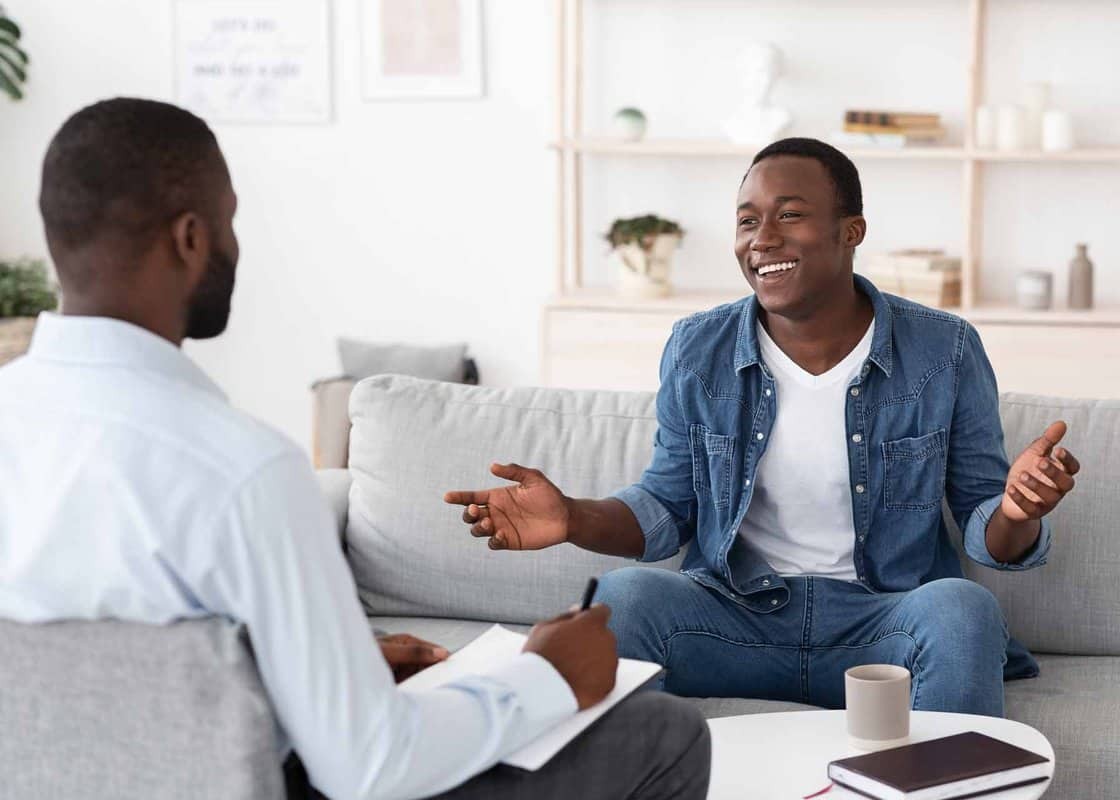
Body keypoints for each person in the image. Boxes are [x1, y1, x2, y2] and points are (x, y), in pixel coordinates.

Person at [0, 98, 710, 800]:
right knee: (662, 734)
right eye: (230, 221)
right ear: (190, 238)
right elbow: (370, 765)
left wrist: (338, 668)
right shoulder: (242, 472)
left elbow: (110, 691)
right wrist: (546, 676)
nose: (236, 247)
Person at [446, 137, 1081, 718]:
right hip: (735, 621)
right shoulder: (698, 349)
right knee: (626, 598)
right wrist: (573, 518)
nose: (762, 237)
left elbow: (986, 531)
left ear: (850, 231)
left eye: (790, 214)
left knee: (963, 609)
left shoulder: (944, 350)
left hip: (881, 628)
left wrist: (1018, 509)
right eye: (748, 220)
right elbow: (668, 504)